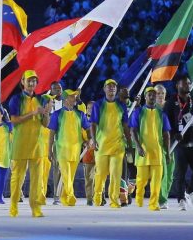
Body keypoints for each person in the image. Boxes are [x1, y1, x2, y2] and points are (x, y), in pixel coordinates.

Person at [7, 70, 50, 218]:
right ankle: (13, 205)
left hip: (37, 144)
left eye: (34, 81)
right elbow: (13, 120)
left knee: (37, 180)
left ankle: (36, 208)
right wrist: (32, 113)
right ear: (23, 82)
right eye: (29, 80)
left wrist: (46, 114)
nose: (31, 83)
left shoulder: (42, 100)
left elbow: (45, 124)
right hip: (20, 143)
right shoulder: (16, 99)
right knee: (17, 177)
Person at [166, 73, 193, 210]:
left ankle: (188, 191)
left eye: (189, 83)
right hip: (180, 145)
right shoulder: (171, 102)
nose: (187, 85)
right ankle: (180, 200)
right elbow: (166, 122)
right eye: (184, 83)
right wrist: (174, 134)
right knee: (180, 174)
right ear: (177, 85)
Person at [129, 86, 170, 211]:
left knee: (156, 181)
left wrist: (167, 153)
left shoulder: (161, 114)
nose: (152, 97)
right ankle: (139, 200)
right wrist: (138, 146)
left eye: (154, 95)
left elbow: (166, 134)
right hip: (143, 153)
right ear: (145, 97)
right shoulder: (138, 112)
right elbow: (133, 130)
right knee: (141, 181)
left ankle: (153, 204)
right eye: (150, 95)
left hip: (157, 153)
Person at [89, 78, 128, 209]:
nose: (111, 88)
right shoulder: (98, 105)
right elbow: (93, 123)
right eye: (109, 86)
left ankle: (114, 200)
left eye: (114, 86)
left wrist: (128, 142)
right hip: (102, 145)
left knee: (116, 174)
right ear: (104, 89)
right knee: (100, 174)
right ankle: (98, 198)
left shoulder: (121, 105)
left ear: (116, 90)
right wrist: (94, 140)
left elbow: (125, 125)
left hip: (118, 145)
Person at [48, 89, 89, 206]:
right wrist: (49, 150)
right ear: (66, 99)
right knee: (66, 173)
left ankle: (64, 198)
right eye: (72, 97)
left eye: (75, 97)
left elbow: (87, 128)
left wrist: (89, 139)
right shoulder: (57, 114)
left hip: (76, 150)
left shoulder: (79, 114)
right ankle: (71, 195)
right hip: (62, 150)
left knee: (70, 175)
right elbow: (51, 133)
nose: (74, 98)